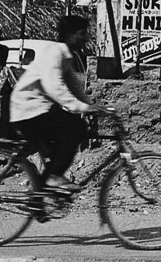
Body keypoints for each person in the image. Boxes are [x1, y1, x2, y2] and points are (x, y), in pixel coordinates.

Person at [8, 14, 106, 192]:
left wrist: (91, 105)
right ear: (70, 35)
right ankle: (52, 178)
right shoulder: (55, 53)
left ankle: (39, 195)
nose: (86, 38)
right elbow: (55, 87)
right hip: (29, 108)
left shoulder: (66, 56)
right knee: (75, 128)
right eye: (82, 33)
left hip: (38, 108)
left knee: (59, 146)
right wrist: (82, 107)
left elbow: (74, 86)